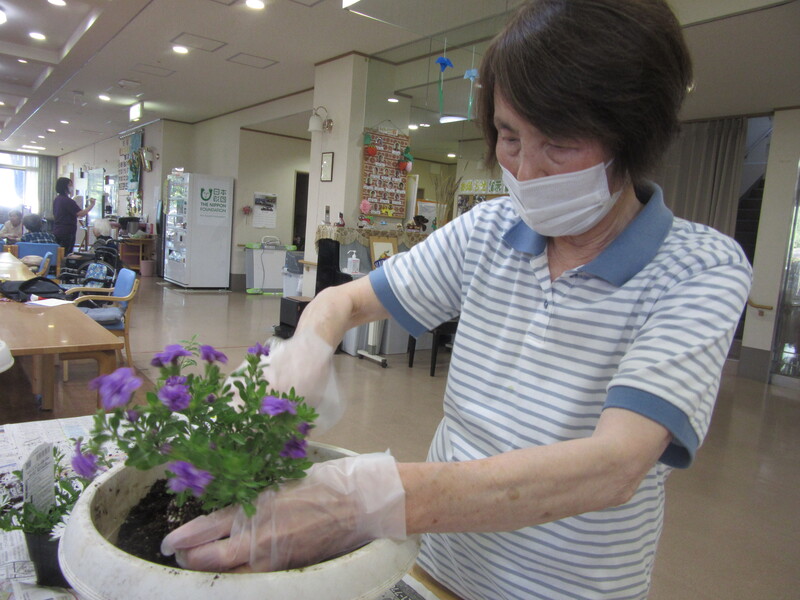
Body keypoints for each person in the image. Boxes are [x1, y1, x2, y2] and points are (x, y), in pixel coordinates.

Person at [162, 1, 753, 598]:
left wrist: (363, 500)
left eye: (559, 144)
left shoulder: (699, 268)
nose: (526, 171)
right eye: (509, 136)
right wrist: (307, 347)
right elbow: (345, 301)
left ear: (632, 136)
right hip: (435, 566)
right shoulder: (488, 231)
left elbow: (614, 467)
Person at [52, 177, 95, 252]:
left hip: (57, 230)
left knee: (59, 253)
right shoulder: (68, 201)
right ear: (64, 186)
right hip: (67, 232)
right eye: (70, 185)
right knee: (66, 253)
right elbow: (81, 214)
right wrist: (92, 205)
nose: (72, 187)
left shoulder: (57, 199)